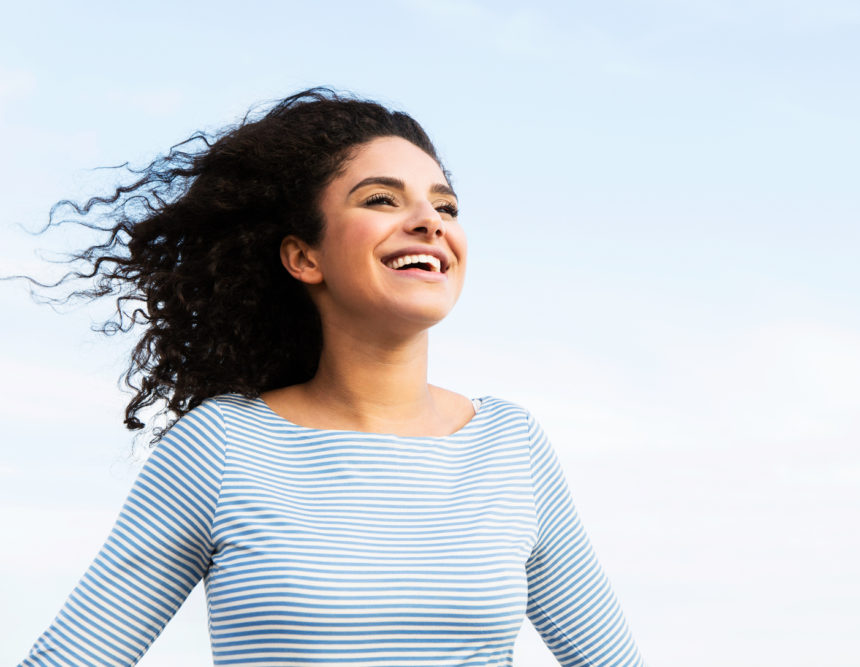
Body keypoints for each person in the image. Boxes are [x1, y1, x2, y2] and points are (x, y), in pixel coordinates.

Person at [17, 87, 647, 666]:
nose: (430, 221)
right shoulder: (221, 447)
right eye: (381, 199)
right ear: (304, 256)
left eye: (445, 205)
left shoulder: (510, 445)